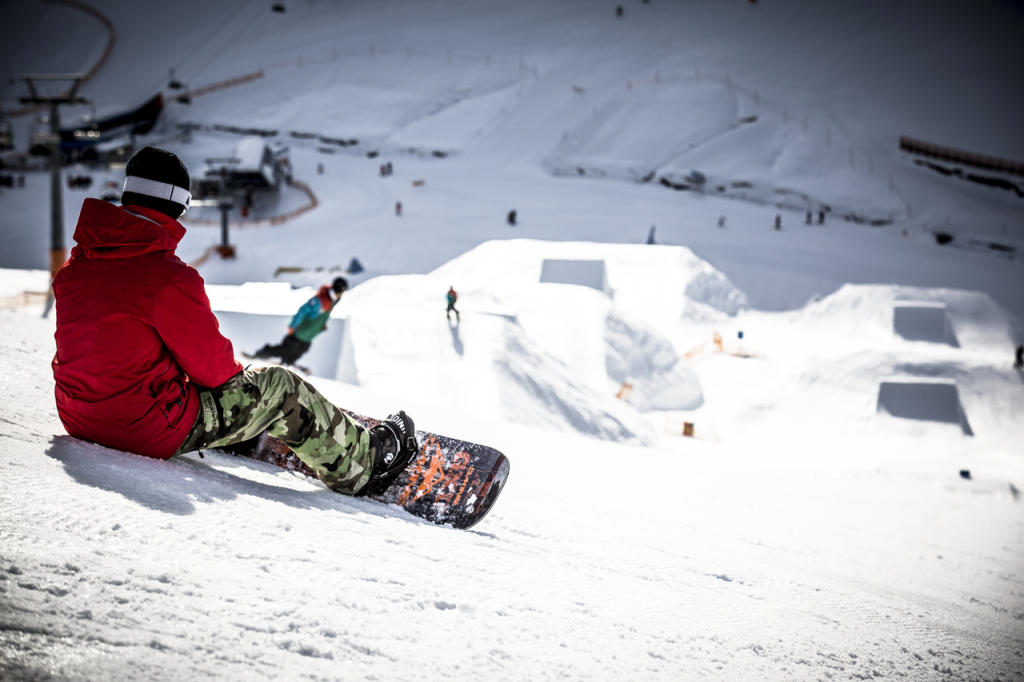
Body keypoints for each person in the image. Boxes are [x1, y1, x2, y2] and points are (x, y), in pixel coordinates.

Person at [51, 146, 416, 497]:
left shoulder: (77, 266)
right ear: (180, 204)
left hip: (79, 416)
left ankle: (239, 431)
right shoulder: (167, 277)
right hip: (143, 430)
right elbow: (215, 372)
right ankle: (364, 465)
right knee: (279, 384)